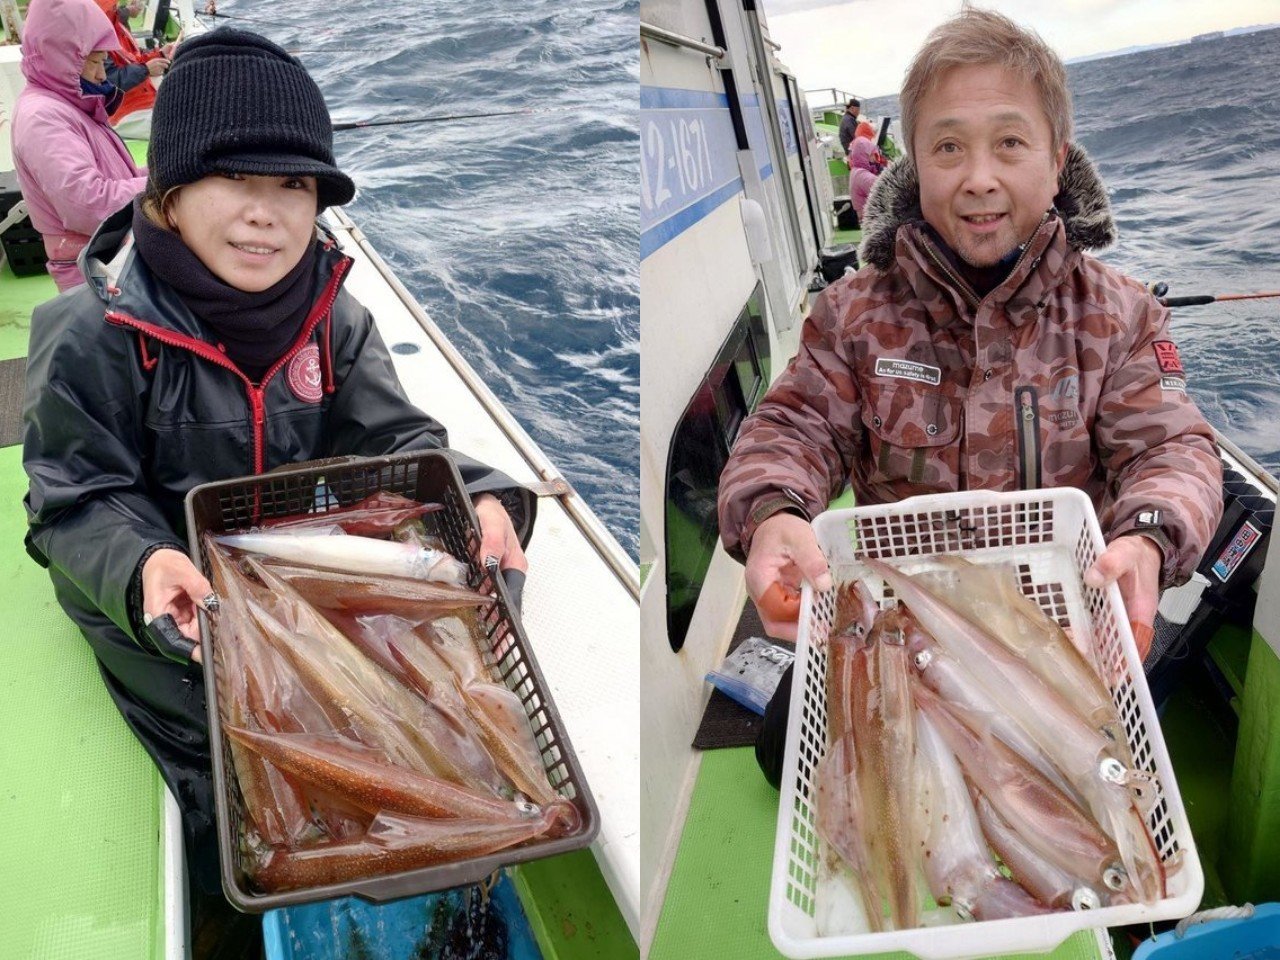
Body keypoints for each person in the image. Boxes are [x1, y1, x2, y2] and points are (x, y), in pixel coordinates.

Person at [22, 28, 532, 959]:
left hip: (288, 583)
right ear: (169, 195)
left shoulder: (333, 316)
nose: (267, 214)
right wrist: (141, 569)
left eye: (294, 185)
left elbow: (398, 443)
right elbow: (72, 499)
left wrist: (487, 498)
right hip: (170, 616)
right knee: (229, 780)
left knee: (419, 722)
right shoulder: (90, 334)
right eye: (236, 180)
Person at [717, 7, 1223, 666]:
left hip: (1060, 636)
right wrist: (771, 511)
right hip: (901, 634)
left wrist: (1150, 535)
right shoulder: (850, 314)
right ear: (916, 164)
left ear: (1056, 159)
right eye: (949, 147)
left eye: (1009, 143)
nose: (979, 177)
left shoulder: (1122, 316)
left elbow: (1171, 448)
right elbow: (794, 426)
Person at [10, 0, 147, 292]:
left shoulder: (66, 105)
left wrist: (169, 169)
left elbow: (115, 181)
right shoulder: (43, 117)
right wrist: (164, 184)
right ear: (62, 58)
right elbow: (90, 204)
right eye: (96, 61)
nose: (102, 75)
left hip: (113, 260)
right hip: (95, 276)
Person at [93, 0, 175, 137]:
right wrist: (146, 70)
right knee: (183, 122)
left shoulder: (114, 25)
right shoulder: (96, 35)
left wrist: (160, 54)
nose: (119, 7)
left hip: (144, 100)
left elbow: (133, 57)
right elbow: (107, 82)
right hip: (124, 113)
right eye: (114, 5)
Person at [847, 125, 886, 220]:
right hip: (872, 219)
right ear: (864, 155)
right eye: (873, 155)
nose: (875, 159)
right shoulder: (863, 176)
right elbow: (884, 191)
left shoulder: (857, 171)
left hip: (866, 216)